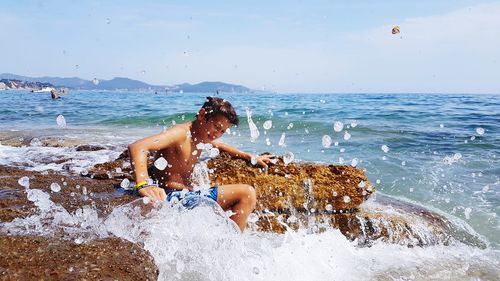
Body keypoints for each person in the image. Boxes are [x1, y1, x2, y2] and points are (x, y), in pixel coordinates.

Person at [128, 97, 274, 231]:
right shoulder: (180, 133)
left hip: (188, 195)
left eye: (222, 131)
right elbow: (138, 147)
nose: (217, 134)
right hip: (172, 198)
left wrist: (248, 156)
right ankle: (232, 245)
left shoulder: (201, 135)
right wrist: (144, 184)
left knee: (243, 196)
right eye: (216, 127)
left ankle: (227, 241)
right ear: (203, 114)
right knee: (247, 193)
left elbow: (218, 146)